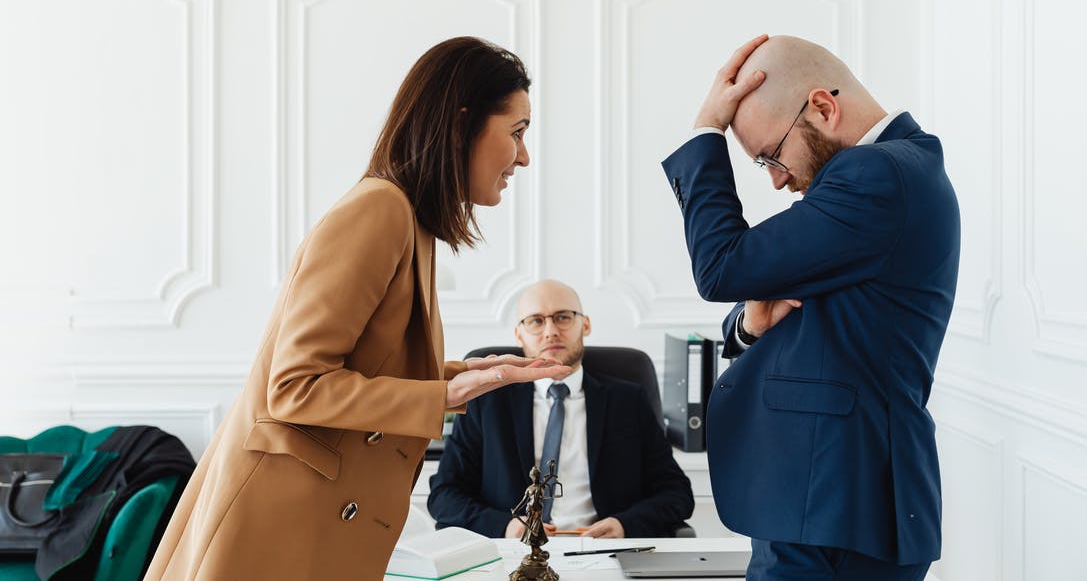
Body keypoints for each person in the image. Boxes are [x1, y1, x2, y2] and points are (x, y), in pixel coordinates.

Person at [144, 37, 571, 581]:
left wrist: (466, 376)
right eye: (516, 132)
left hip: (309, 527)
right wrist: (443, 393)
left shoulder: (410, 219)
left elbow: (362, 369)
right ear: (462, 122)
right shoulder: (379, 210)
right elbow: (294, 384)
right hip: (276, 535)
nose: (524, 157)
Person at [660, 34, 960, 580]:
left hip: (833, 509)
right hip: (826, 504)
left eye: (771, 156)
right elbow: (767, 298)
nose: (777, 180)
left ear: (822, 107)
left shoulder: (877, 175)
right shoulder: (891, 179)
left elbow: (722, 266)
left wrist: (707, 131)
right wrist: (750, 326)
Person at [427, 279, 694, 539]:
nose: (550, 331)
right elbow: (444, 496)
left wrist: (625, 525)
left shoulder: (628, 400)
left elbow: (677, 493)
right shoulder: (487, 401)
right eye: (536, 320)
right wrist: (507, 527)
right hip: (514, 555)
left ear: (585, 324)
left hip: (601, 551)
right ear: (519, 334)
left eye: (563, 317)